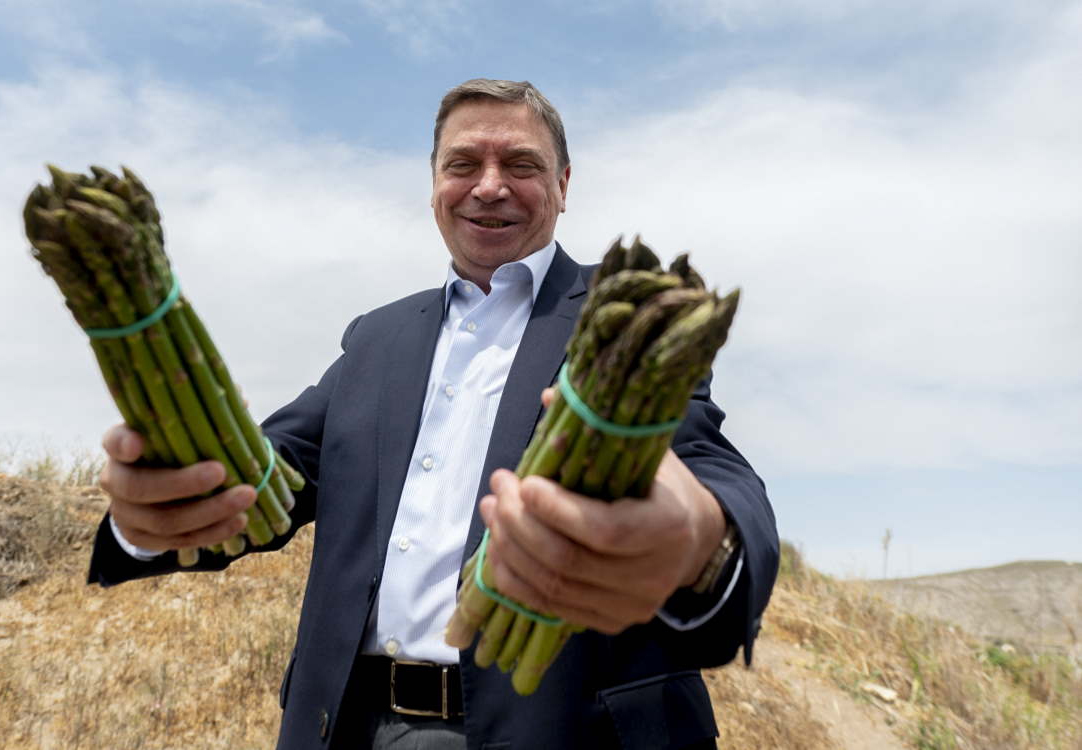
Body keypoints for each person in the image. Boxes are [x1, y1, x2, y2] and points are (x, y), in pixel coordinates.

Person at [89, 78, 778, 750]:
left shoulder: (628, 314)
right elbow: (262, 481)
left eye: (520, 165)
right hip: (355, 726)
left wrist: (699, 536)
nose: (488, 185)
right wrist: (160, 507)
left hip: (562, 732)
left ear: (564, 186)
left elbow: (711, 473)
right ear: (433, 186)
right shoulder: (376, 337)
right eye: (463, 165)